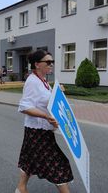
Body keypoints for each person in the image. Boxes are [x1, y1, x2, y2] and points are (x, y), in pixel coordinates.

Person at [15, 50, 73, 193]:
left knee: (30, 160)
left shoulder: (44, 81)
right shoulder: (32, 81)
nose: (51, 64)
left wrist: (58, 93)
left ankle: (21, 188)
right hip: (36, 130)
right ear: (37, 64)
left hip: (43, 130)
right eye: (48, 62)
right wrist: (46, 116)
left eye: (52, 62)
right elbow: (24, 106)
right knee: (57, 163)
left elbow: (48, 101)